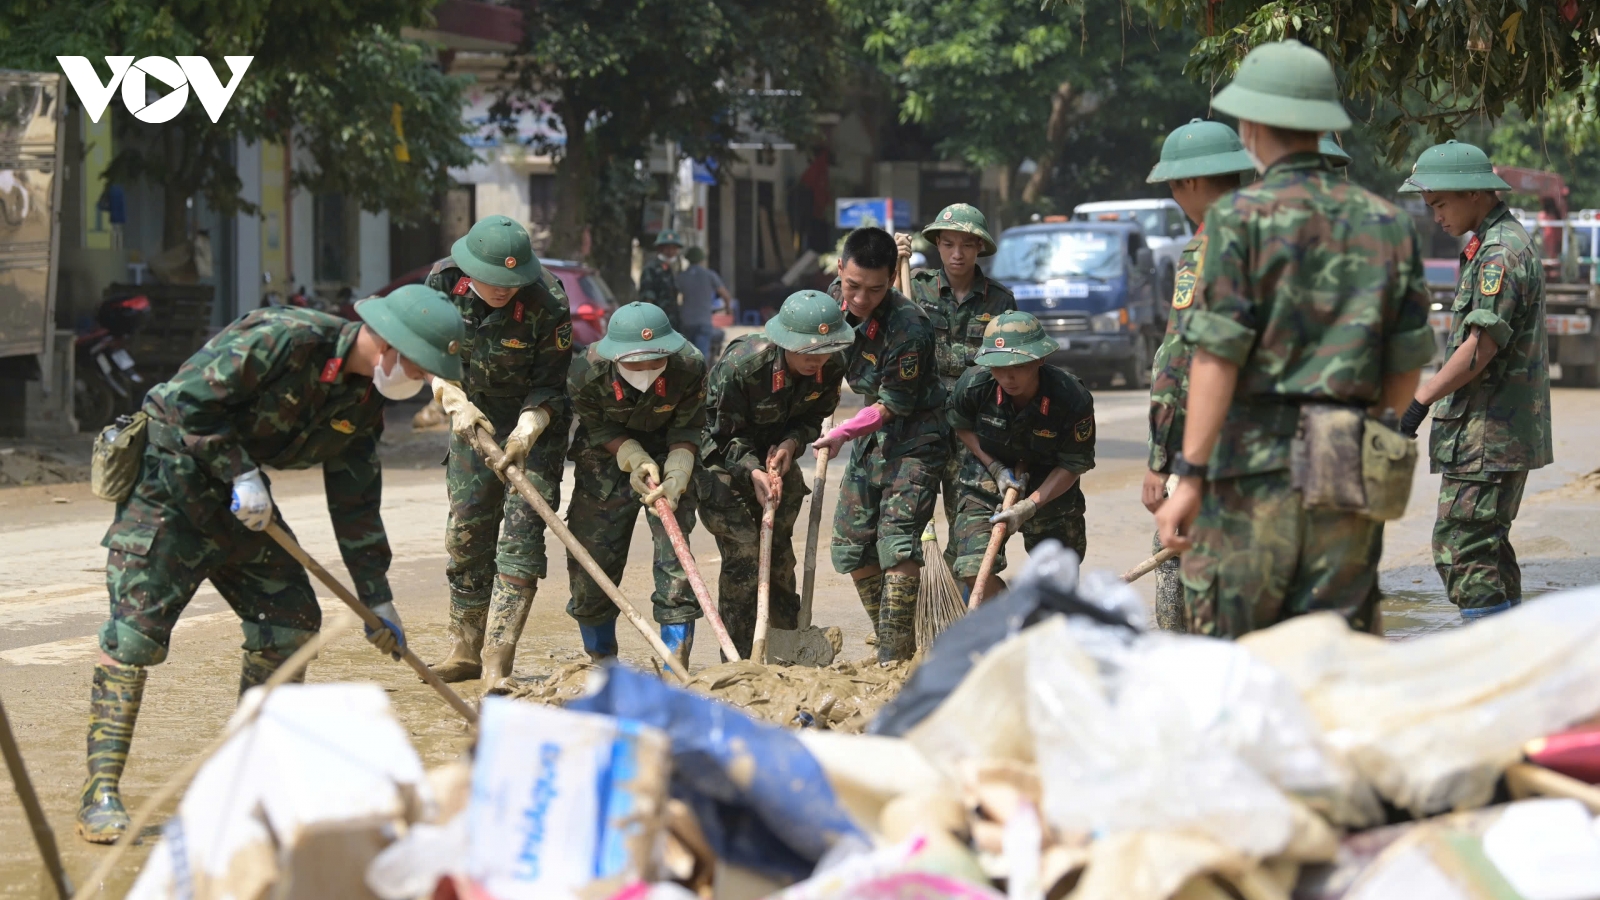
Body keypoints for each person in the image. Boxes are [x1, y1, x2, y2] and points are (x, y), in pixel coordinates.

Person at [77, 286, 465, 842]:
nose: (423, 381)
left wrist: (376, 596)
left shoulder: (362, 402)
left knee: (289, 623)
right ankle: (100, 794)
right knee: (135, 637)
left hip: (241, 502)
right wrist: (238, 471)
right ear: (387, 346)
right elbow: (184, 401)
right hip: (169, 484)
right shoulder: (284, 337)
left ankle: (246, 780)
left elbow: (355, 497)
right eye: (423, 366)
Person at [1154, 40, 1435, 638]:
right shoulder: (1387, 223)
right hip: (1346, 456)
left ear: (1251, 126)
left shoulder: (1236, 220)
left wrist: (1191, 474)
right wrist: (1372, 428)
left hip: (1250, 466)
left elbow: (1216, 357)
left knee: (1241, 657)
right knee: (1336, 649)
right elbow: (1406, 363)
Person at [1396, 141, 1552, 619]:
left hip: (1489, 435)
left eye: (1441, 203)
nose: (1435, 215)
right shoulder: (1491, 244)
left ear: (1476, 194)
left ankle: (1488, 670)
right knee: (1488, 551)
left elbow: (1480, 348)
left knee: (1460, 548)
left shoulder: (1499, 253)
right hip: (1494, 433)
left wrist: (1418, 402)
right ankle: (1513, 664)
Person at [423, 215, 575, 690]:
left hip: (535, 425)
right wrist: (450, 395)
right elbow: (426, 351)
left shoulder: (547, 299)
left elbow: (552, 382)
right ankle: (464, 648)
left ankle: (497, 660)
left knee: (521, 540)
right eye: (492, 281)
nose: (502, 290)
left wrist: (528, 429)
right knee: (467, 533)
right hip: (472, 418)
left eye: (512, 282)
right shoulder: (443, 282)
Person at [1140, 118, 1255, 632]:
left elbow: (1179, 360)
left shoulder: (1207, 248)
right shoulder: (1274, 234)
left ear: (1188, 183)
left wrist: (1159, 460)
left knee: (1188, 574)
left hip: (1214, 448)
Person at [695, 290, 852, 657]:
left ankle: (783, 648)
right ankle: (735, 657)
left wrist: (790, 445)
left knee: (780, 556)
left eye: (825, 352)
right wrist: (751, 469)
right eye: (809, 353)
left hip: (776, 458)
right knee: (746, 554)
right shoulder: (742, 367)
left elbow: (812, 419)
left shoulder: (831, 365)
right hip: (721, 460)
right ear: (785, 343)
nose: (819, 361)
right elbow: (716, 435)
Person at [815, 227, 947, 662]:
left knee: (898, 541)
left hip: (915, 435)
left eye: (874, 289)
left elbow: (891, 406)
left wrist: (842, 433)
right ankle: (895, 642)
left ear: (893, 278)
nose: (860, 298)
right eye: (853, 285)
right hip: (869, 435)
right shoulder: (833, 300)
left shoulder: (911, 328)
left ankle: (892, 657)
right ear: (840, 271)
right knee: (851, 545)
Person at [565, 302, 706, 668]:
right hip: (605, 456)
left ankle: (676, 661)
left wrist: (678, 470)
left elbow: (689, 426)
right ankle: (601, 659)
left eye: (653, 363)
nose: (644, 371)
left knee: (676, 555)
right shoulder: (586, 371)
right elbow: (598, 426)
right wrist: (631, 455)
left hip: (670, 450)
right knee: (592, 556)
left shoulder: (689, 365)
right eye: (634, 364)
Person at [948, 312, 1096, 599]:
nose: (1008, 377)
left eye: (1018, 366)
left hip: (1050, 482)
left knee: (1058, 584)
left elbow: (1074, 463)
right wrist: (994, 468)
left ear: (1040, 359)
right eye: (998, 367)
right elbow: (960, 424)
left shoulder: (1070, 397)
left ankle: (1047, 624)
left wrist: (1030, 505)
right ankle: (1012, 621)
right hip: (988, 473)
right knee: (972, 568)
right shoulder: (974, 384)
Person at [906, 204, 1016, 530]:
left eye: (967, 245)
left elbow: (1012, 365)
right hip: (921, 426)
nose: (957, 254)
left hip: (974, 429)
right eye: (949, 244)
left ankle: (963, 579)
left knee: (973, 535)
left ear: (979, 248)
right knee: (904, 530)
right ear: (937, 244)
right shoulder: (912, 288)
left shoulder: (1000, 301)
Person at [676, 246, 732, 360]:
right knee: (701, 356)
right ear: (702, 259)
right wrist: (728, 309)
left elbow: (674, 297)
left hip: (686, 321)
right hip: (704, 321)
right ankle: (703, 376)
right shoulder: (709, 275)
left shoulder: (681, 277)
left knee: (687, 356)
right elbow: (725, 295)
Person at [638, 230, 684, 328]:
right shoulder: (651, 269)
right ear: (660, 248)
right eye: (668, 248)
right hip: (658, 325)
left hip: (672, 324)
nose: (672, 252)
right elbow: (647, 299)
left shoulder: (669, 270)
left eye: (674, 248)